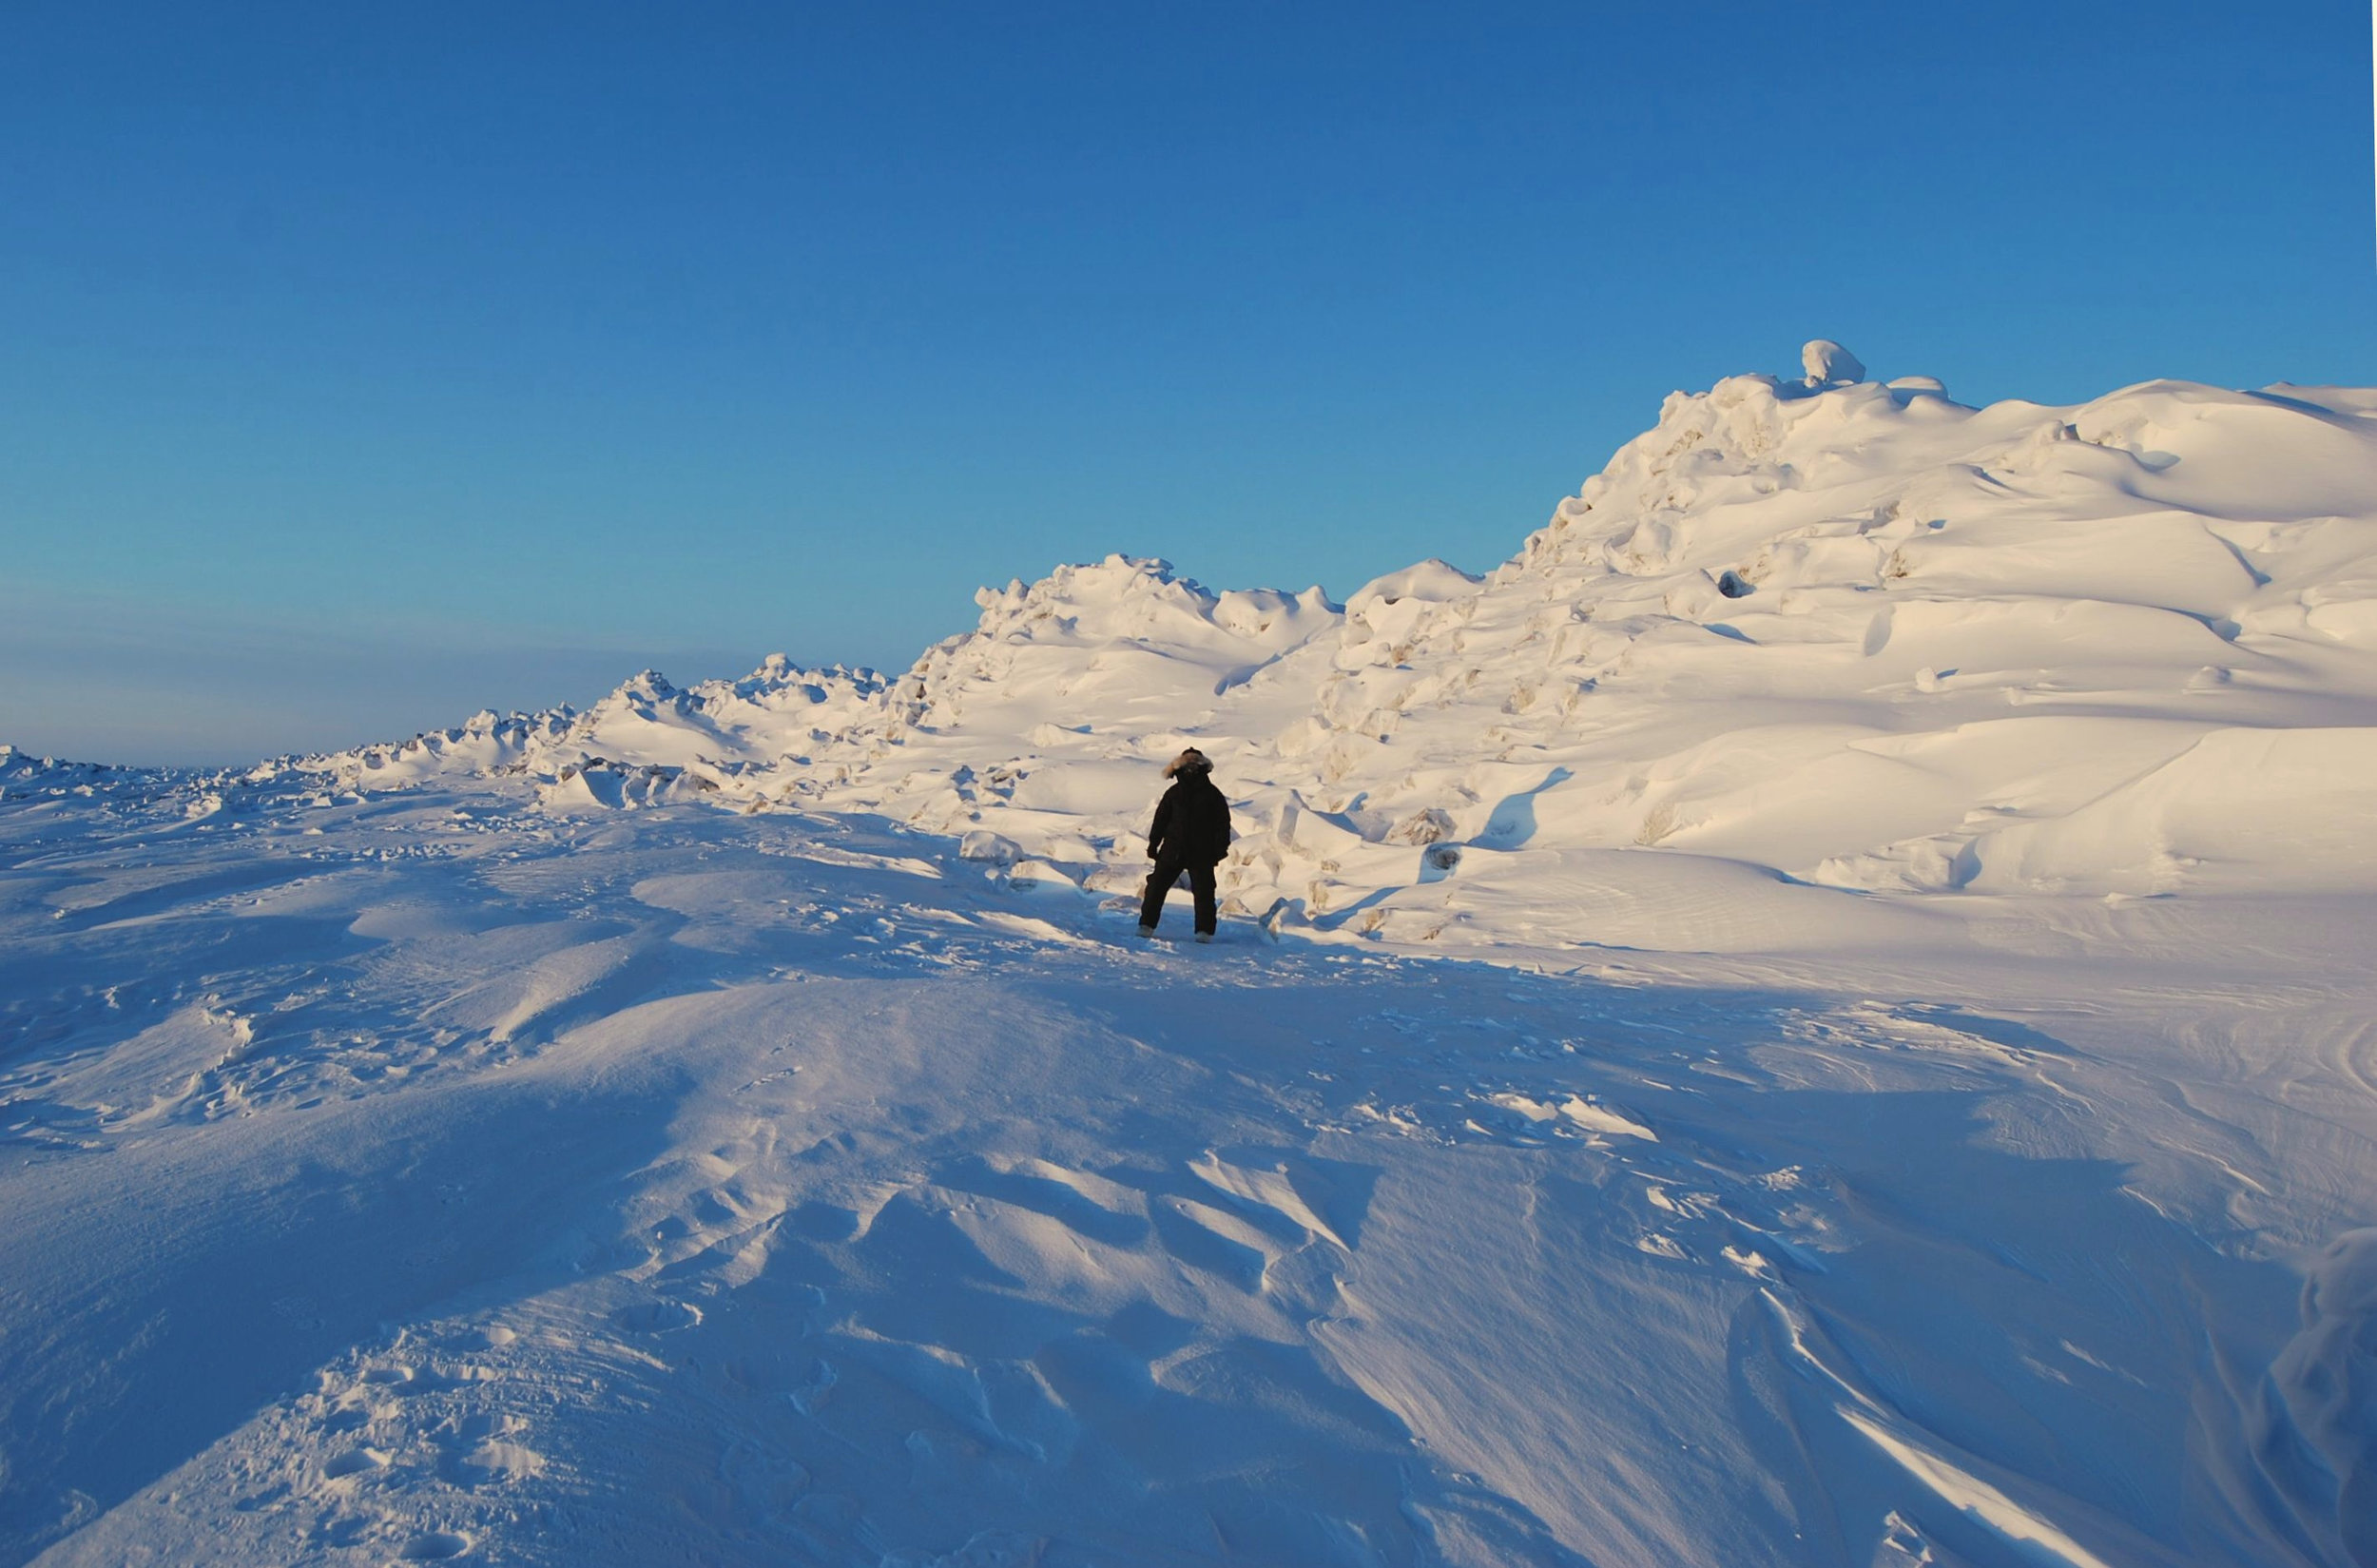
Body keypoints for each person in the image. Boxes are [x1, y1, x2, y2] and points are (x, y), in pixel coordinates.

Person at [1139, 747, 1230, 941]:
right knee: (1156, 887)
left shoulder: (1212, 794)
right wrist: (1153, 844)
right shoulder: (1173, 793)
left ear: (1202, 767)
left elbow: (1223, 823)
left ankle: (1204, 932)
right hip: (1173, 849)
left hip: (1201, 852)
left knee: (1204, 892)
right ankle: (1146, 925)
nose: (1191, 769)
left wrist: (1220, 850)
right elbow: (1161, 820)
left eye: (1194, 765)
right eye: (1187, 765)